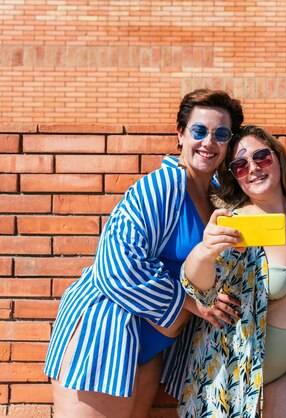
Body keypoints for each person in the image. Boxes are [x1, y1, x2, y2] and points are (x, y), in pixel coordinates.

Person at [44, 88, 244, 418]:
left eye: (221, 134)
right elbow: (115, 264)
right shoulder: (160, 186)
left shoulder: (217, 198)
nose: (209, 142)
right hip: (104, 333)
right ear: (180, 134)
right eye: (199, 131)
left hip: (147, 345)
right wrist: (194, 303)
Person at [172, 125, 286, 418]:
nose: (254, 168)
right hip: (236, 371)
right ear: (234, 176)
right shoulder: (237, 224)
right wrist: (205, 251)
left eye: (261, 157)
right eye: (240, 165)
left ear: (278, 158)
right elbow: (198, 284)